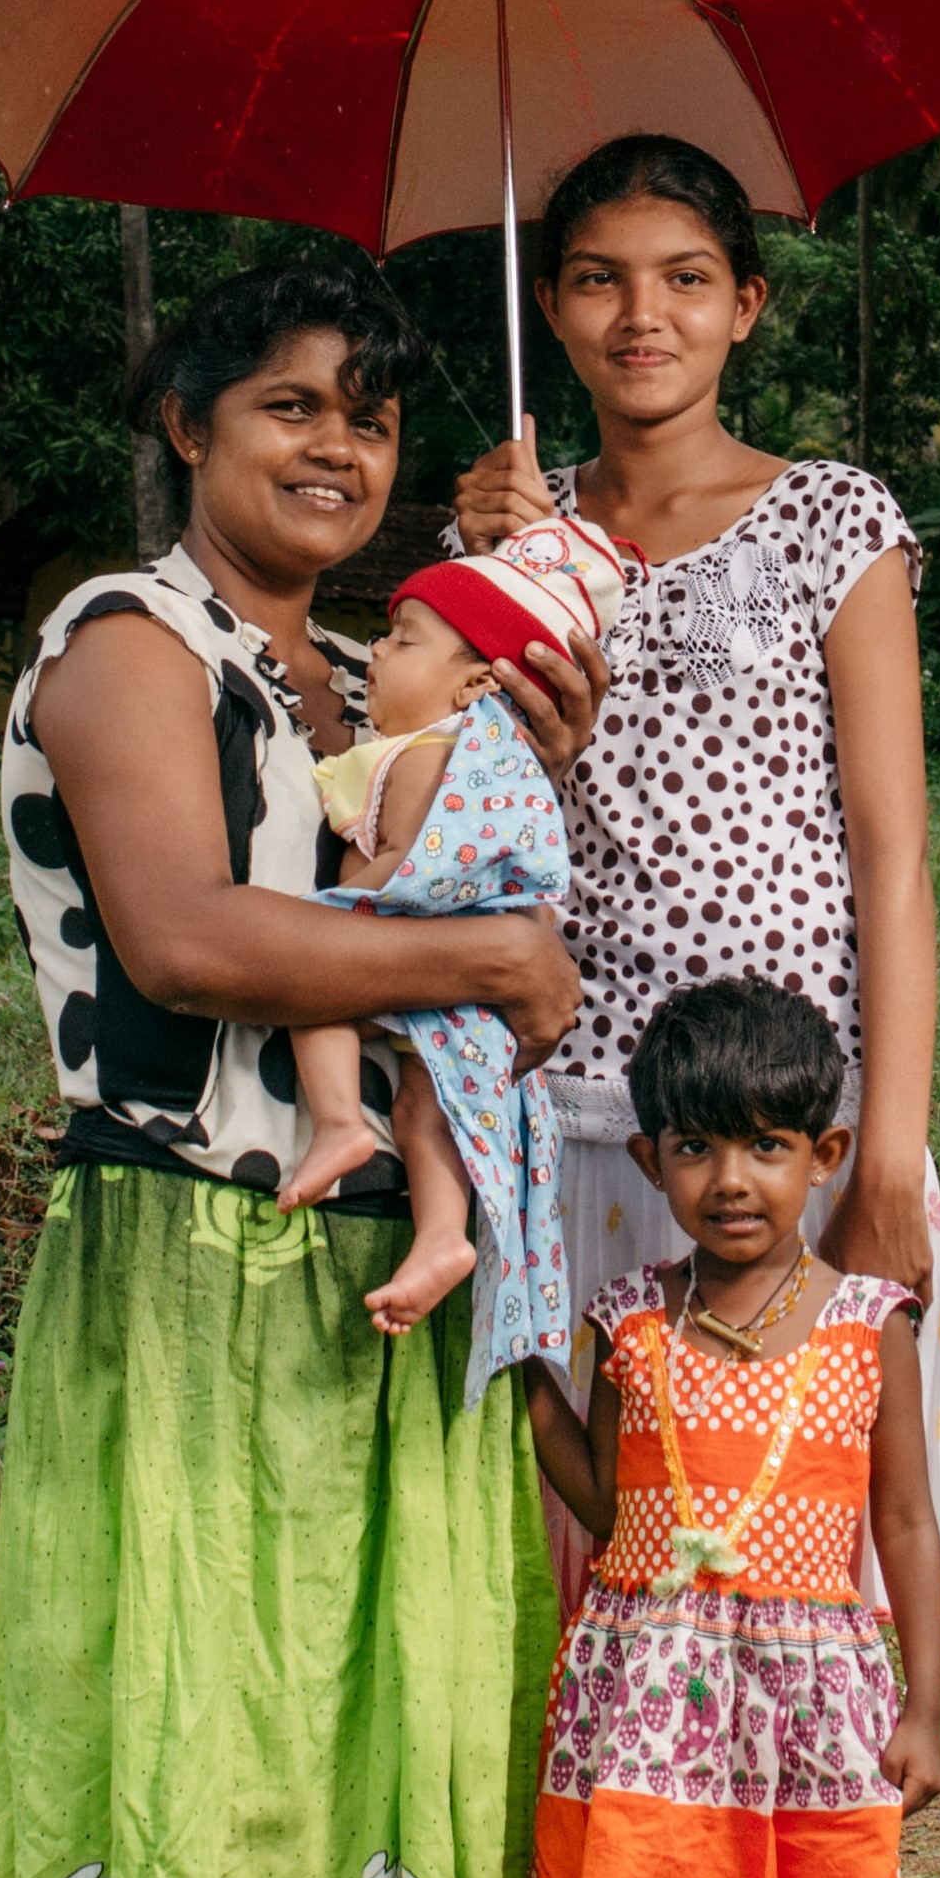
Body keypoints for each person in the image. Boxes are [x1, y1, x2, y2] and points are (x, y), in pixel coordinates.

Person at [0, 253, 603, 1878]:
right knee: (176, 1727)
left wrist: (522, 762)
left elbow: (502, 908)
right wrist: (482, 940)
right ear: (187, 425)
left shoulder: (348, 677)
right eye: (284, 407)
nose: (332, 444)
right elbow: (187, 932)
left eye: (364, 412)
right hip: (185, 1237)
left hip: (349, 1253)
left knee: (294, 1743)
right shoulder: (123, 646)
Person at [449, 131, 940, 1878]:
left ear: (749, 302)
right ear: (558, 307)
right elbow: (455, 813)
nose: (639, 316)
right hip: (586, 1128)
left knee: (801, 1608)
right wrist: (485, 590)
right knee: (632, 1614)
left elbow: (892, 848)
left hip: (801, 1131)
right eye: (594, 279)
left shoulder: (837, 521)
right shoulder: (518, 541)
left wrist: (886, 1151)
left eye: (685, 276)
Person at [525, 976, 940, 1878]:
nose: (733, 1180)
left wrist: (924, 1704)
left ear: (826, 1155)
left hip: (794, 1697)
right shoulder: (628, 1320)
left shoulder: (864, 1320)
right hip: (652, 1692)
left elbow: (904, 1524)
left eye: (770, 1146)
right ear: (647, 1162)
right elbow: (598, 1488)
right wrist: (523, 1376)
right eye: (699, 1149)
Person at [289, 512, 638, 1375]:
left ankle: (335, 1121)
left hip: (425, 963)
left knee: (305, 988)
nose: (374, 652)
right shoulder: (471, 753)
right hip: (463, 986)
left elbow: (407, 870)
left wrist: (334, 913)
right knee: (425, 1105)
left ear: (476, 683)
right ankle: (444, 1234)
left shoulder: (430, 755)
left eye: (401, 641)